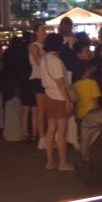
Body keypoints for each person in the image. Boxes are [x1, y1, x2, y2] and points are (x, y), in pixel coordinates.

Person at [38, 32, 73, 171]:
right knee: (62, 133)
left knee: (51, 130)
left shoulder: (44, 59)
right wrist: (67, 100)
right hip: (58, 97)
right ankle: (63, 163)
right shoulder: (56, 61)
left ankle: (49, 161)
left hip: (48, 95)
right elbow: (60, 83)